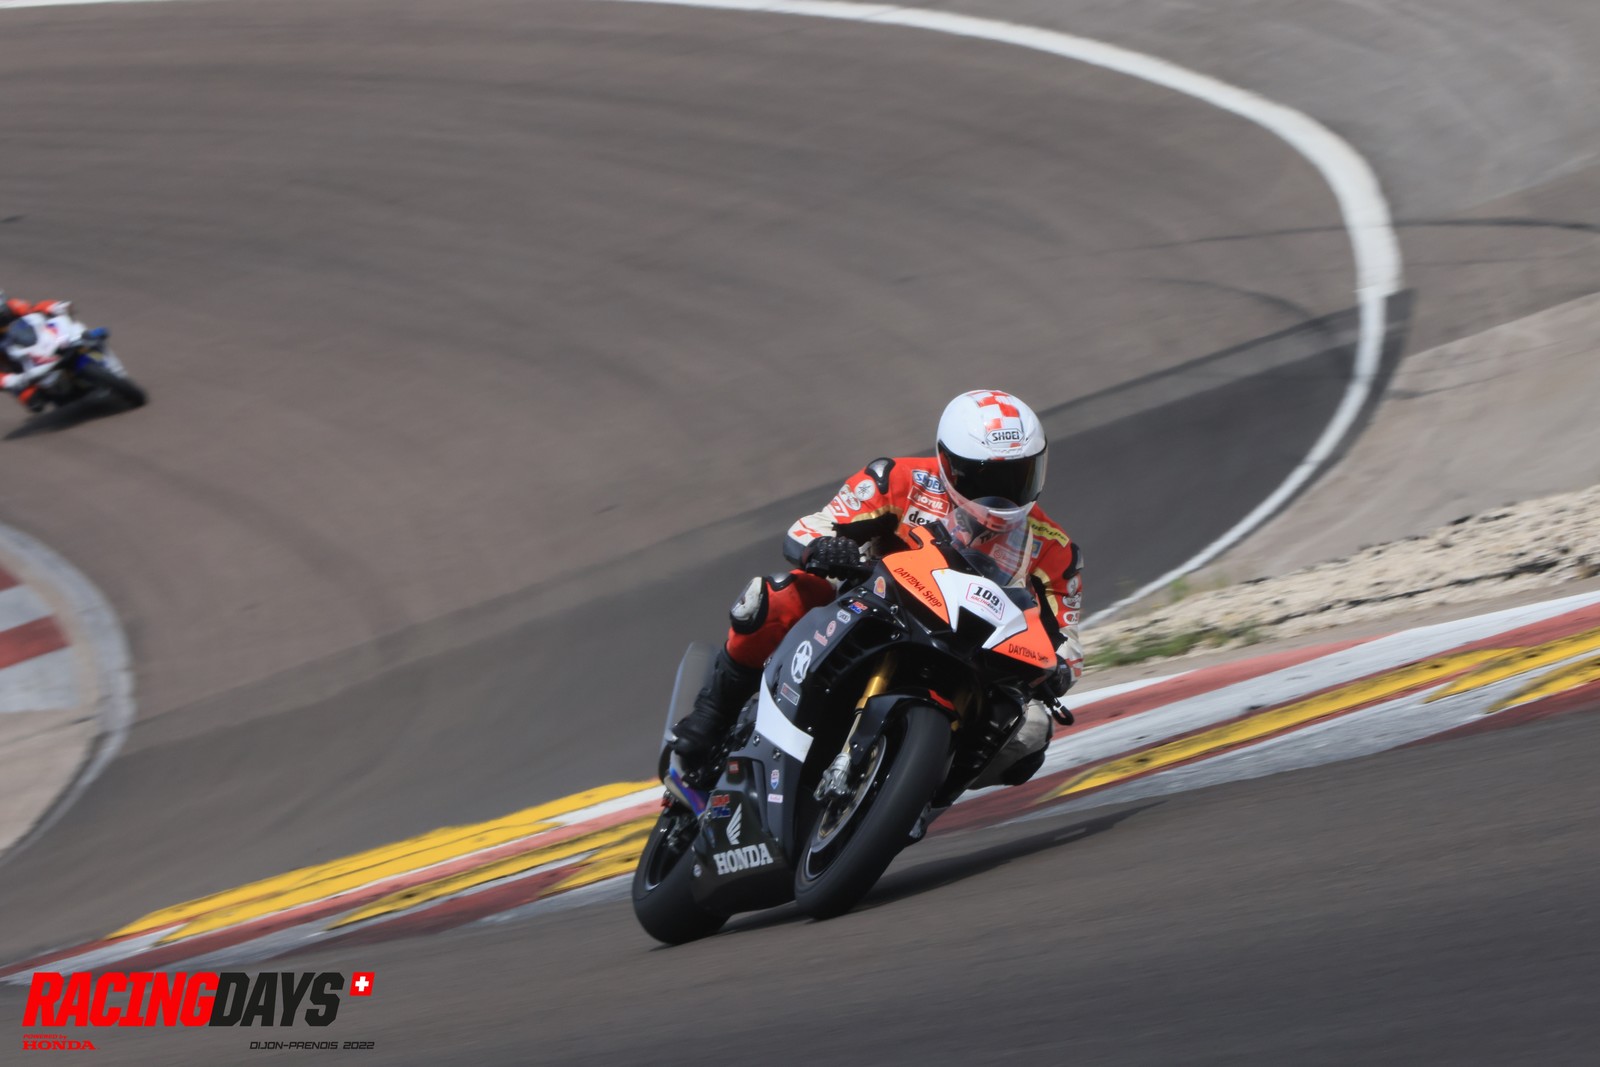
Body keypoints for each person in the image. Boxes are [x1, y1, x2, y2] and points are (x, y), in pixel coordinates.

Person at [670, 389, 1084, 787]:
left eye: (1020, 476)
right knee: (773, 597)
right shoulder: (900, 478)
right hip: (876, 610)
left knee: (1030, 729)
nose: (1007, 494)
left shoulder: (1054, 547)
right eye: (990, 478)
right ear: (951, 464)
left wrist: (1056, 669)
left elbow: (1068, 643)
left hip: (970, 656)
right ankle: (711, 714)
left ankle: (924, 790)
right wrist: (824, 547)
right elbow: (812, 526)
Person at [0, 291, 81, 411]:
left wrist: (54, 306)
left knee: (69, 327)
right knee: (33, 401)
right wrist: (9, 380)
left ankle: (82, 338)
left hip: (40, 339)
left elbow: (36, 309)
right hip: (19, 366)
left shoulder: (13, 305)